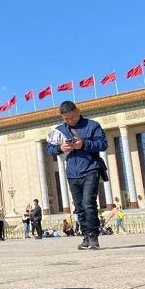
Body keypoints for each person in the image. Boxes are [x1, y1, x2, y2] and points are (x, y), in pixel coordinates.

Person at [47, 101, 107, 250]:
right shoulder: (59, 130)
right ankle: (85, 236)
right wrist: (60, 148)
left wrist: (84, 144)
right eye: (66, 119)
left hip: (90, 169)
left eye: (72, 117)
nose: (70, 121)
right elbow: (49, 148)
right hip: (72, 173)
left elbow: (103, 144)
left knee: (88, 203)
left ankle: (94, 235)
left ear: (78, 111)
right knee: (79, 206)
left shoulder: (92, 125)